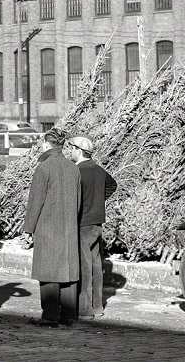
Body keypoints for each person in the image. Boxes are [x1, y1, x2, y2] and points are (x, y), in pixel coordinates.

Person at [21, 128, 81, 328]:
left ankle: (50, 315)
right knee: (68, 272)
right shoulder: (73, 168)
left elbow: (35, 202)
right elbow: (79, 202)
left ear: (47, 144)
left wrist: (27, 229)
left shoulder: (44, 168)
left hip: (48, 226)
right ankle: (68, 316)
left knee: (48, 271)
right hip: (69, 226)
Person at [65, 134, 117, 320]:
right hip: (97, 221)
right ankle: (97, 306)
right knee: (96, 264)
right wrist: (98, 201)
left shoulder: (76, 172)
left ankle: (85, 309)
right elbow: (112, 185)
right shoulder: (98, 170)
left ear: (79, 151)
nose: (69, 151)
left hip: (82, 223)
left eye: (71, 148)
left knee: (84, 265)